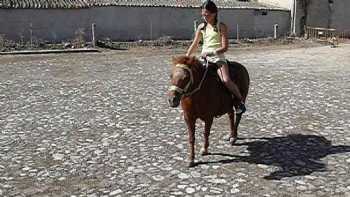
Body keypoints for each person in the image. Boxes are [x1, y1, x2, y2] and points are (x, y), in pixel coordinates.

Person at [186, 0, 246, 114]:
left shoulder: (221, 26)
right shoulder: (201, 27)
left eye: (207, 14)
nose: (205, 17)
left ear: (214, 13)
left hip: (218, 58)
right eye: (203, 14)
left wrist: (211, 53)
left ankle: (240, 101)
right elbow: (194, 44)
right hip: (204, 58)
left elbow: (225, 47)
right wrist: (186, 57)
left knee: (226, 80)